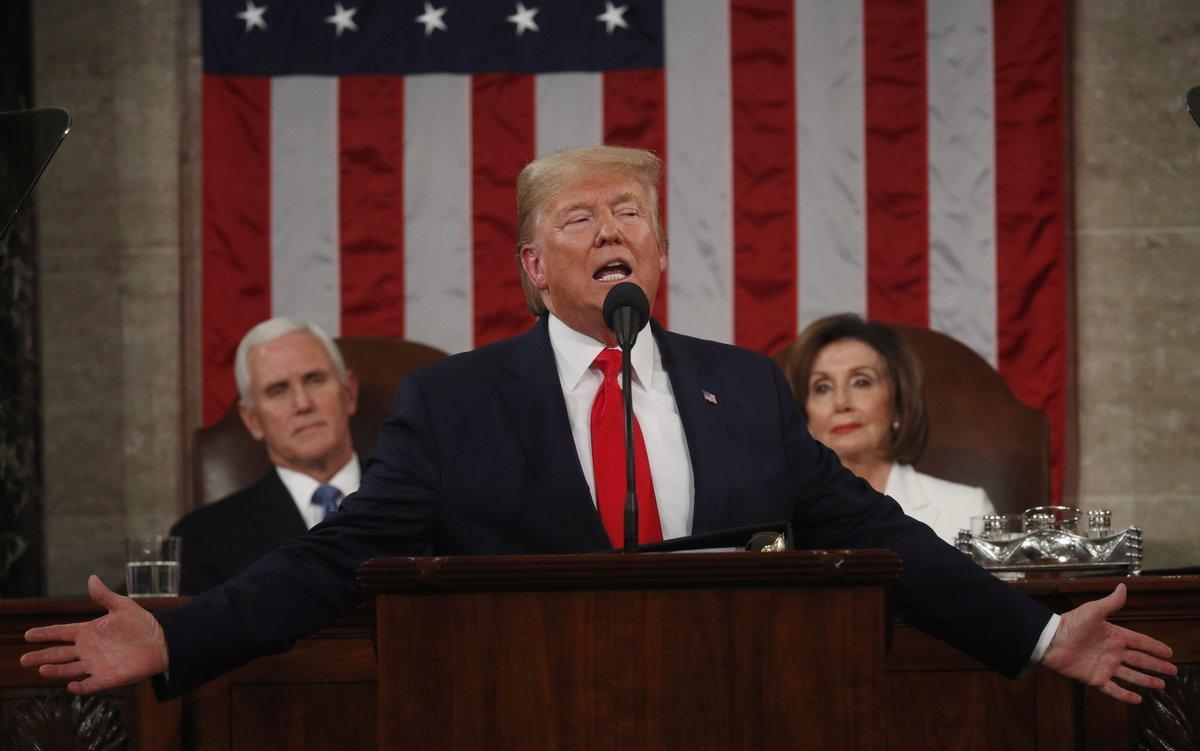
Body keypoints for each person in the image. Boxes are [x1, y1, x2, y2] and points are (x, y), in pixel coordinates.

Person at [23, 146, 1174, 707]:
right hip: (529, 717)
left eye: (632, 212)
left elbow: (881, 540)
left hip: (740, 712)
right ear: (535, 266)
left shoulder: (743, 387)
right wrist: (180, 638)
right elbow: (333, 560)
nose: (610, 227)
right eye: (580, 216)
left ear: (660, 256)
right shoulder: (454, 403)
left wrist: (1035, 635)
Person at [170, 318, 361, 594]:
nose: (303, 404)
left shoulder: (419, 503)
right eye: (278, 390)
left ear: (349, 393)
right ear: (252, 420)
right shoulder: (203, 539)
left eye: (315, 380)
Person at [785, 314, 993, 542]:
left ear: (898, 405)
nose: (841, 403)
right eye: (822, 388)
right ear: (804, 415)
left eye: (861, 382)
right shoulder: (777, 517)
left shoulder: (966, 509)